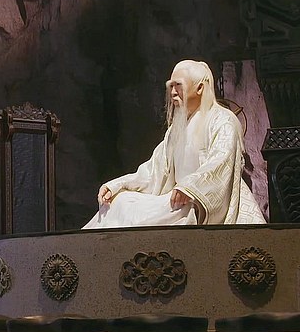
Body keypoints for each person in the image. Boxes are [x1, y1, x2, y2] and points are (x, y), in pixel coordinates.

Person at [83, 60, 266, 229]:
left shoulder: (223, 120)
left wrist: (190, 188)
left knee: (137, 213)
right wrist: (118, 185)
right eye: (171, 86)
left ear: (200, 88)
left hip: (198, 202)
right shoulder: (176, 128)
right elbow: (154, 170)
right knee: (120, 201)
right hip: (177, 198)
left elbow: (220, 163)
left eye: (178, 85)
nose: (172, 92)